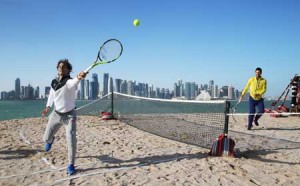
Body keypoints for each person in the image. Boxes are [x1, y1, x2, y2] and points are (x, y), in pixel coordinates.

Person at [41, 59, 86, 175]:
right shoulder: (54, 82)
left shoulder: (69, 82)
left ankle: (71, 165)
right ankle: (51, 140)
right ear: (57, 68)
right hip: (56, 114)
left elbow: (75, 81)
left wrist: (79, 77)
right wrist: (47, 107)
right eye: (59, 66)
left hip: (69, 116)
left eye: (64, 67)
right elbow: (51, 95)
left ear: (68, 69)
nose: (61, 68)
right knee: (45, 139)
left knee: (71, 140)